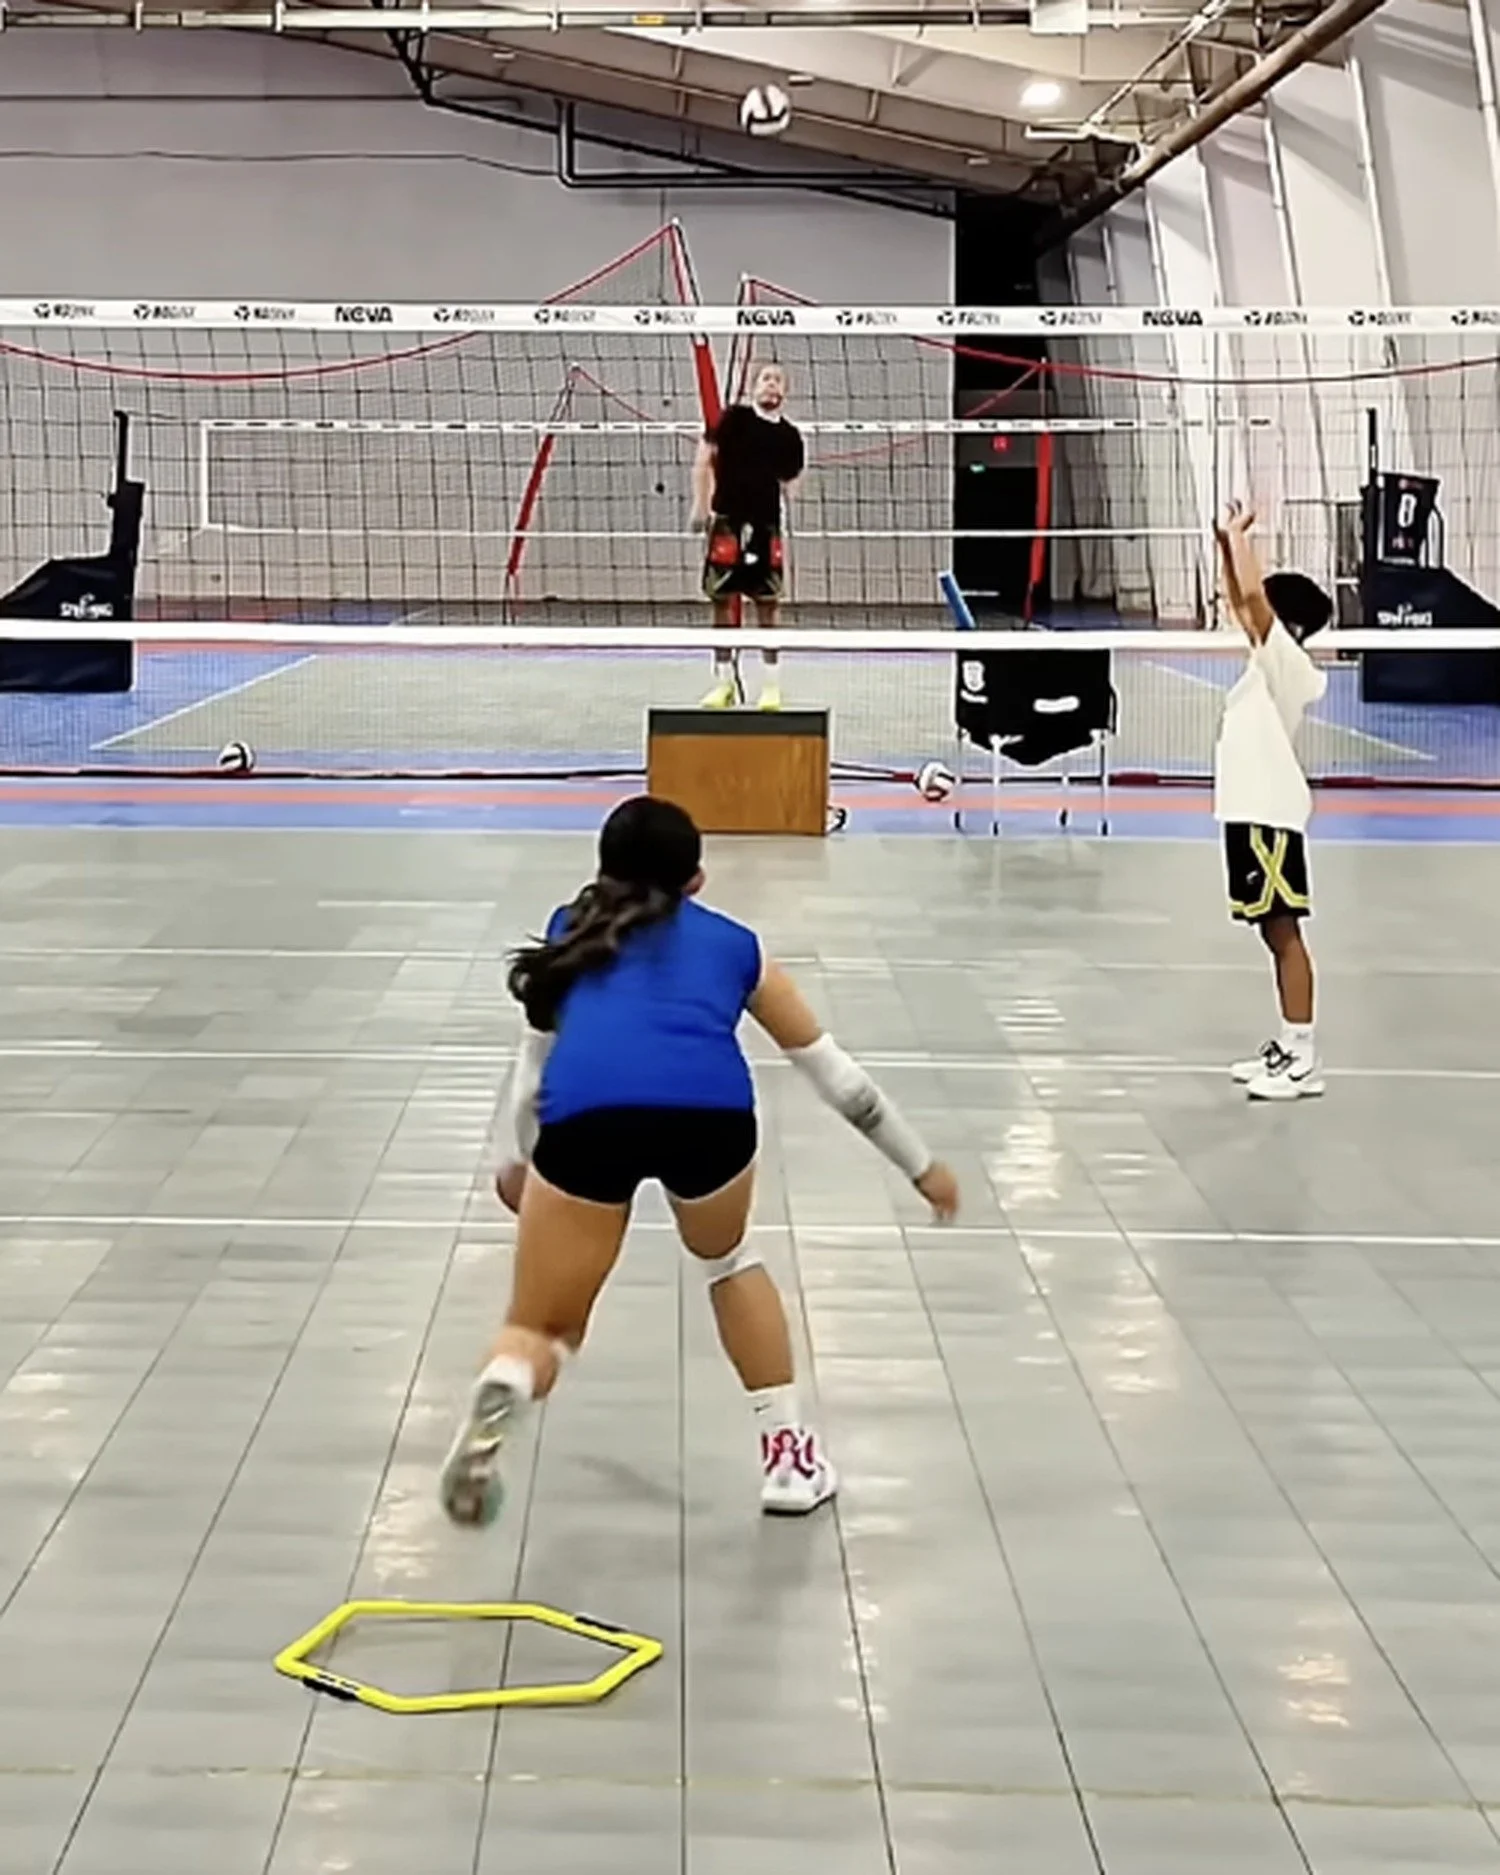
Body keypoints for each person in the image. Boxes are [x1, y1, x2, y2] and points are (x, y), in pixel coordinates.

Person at [441, 795, 959, 1529]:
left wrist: (514, 1161)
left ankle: (509, 1378)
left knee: (544, 1325)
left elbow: (533, 1073)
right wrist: (919, 1164)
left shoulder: (570, 929)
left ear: (603, 866)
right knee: (727, 1260)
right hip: (708, 1120)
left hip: (587, 1118)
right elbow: (838, 1078)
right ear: (697, 879)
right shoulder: (736, 946)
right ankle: (786, 1458)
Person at [1213, 502, 1333, 1101]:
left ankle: (1303, 1055)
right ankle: (1289, 1044)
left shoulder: (1285, 660)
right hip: (1247, 814)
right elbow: (1245, 602)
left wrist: (1239, 539)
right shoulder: (1266, 665)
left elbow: (1254, 603)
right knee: (1270, 931)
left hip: (1269, 817)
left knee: (1285, 933)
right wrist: (1222, 546)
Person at [691, 362, 805, 713]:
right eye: (765, 378)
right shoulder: (734, 419)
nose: (771, 385)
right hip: (727, 521)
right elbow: (705, 456)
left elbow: (792, 479)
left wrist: (794, 494)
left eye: (777, 380)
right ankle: (723, 683)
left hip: (766, 526)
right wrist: (700, 504)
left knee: (768, 605)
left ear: (784, 392)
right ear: (754, 387)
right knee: (721, 601)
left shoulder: (790, 436)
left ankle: (771, 688)